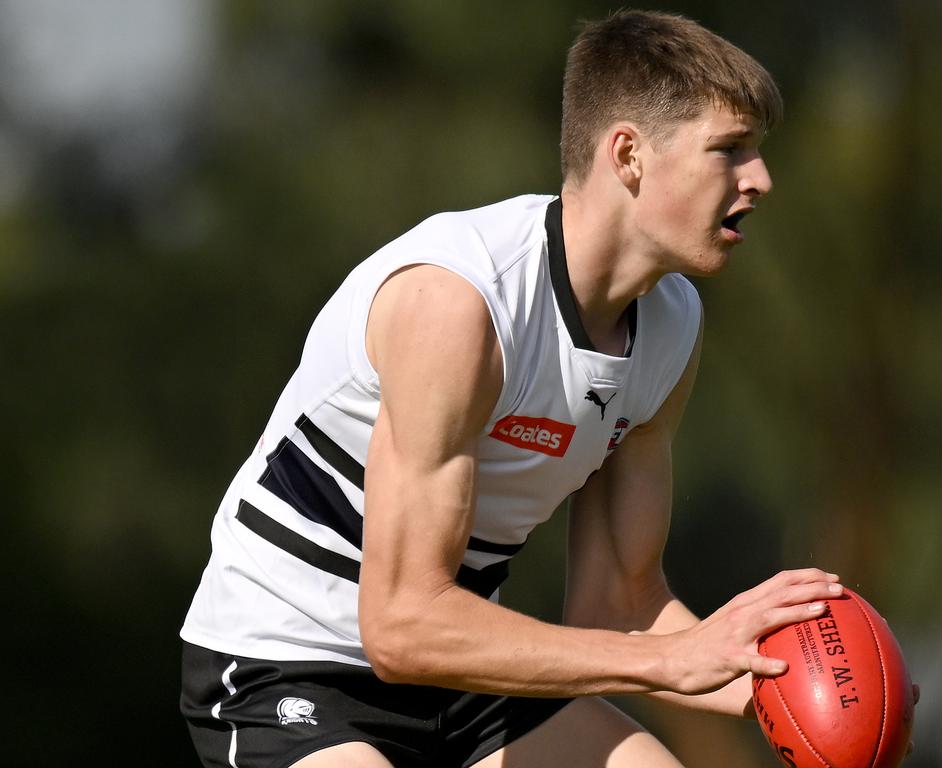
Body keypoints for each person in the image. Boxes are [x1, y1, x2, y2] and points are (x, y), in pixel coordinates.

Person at [180, 9, 846, 767]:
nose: (760, 179)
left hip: (462, 672)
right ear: (628, 155)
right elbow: (401, 626)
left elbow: (620, 606)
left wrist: (818, 693)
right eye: (729, 151)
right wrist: (670, 660)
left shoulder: (671, 327)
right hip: (287, 665)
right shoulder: (460, 304)